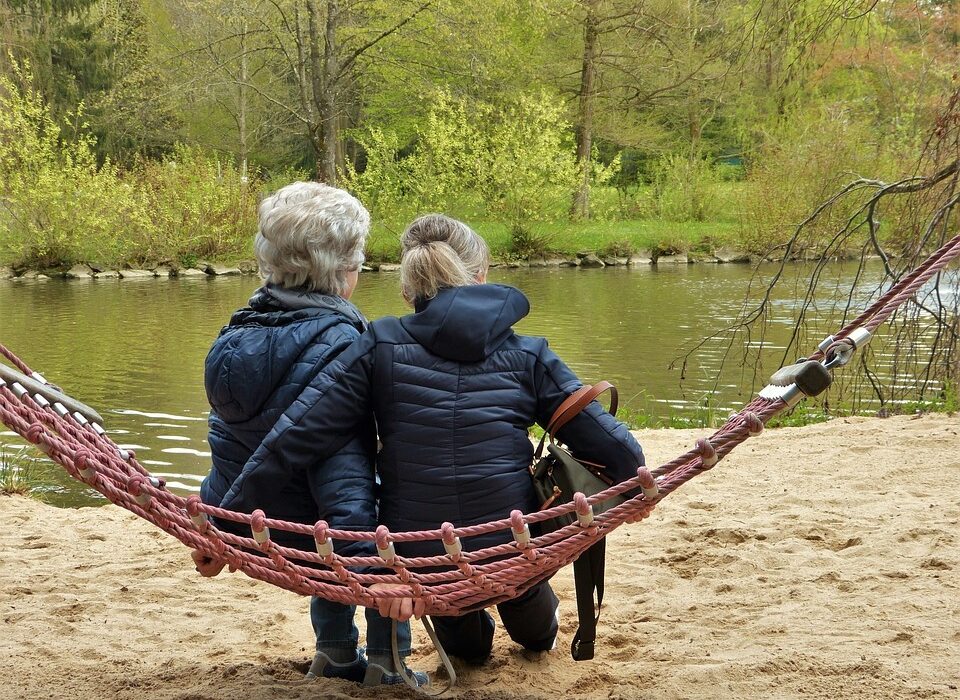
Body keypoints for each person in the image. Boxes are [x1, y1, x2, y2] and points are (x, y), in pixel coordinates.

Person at [223, 213, 653, 663]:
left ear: (408, 290)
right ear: (482, 275)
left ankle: (476, 621)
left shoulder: (378, 343)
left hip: (422, 558)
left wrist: (225, 522)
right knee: (536, 627)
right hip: (513, 544)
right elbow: (612, 445)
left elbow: (297, 435)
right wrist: (634, 486)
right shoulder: (529, 354)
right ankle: (526, 608)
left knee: (467, 650)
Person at [191, 181, 426, 687]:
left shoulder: (234, 335)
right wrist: (371, 573)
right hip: (318, 528)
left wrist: (216, 521)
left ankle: (335, 651)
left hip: (255, 519)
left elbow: (231, 442)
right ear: (345, 271)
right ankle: (389, 662)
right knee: (392, 507)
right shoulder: (347, 345)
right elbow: (346, 474)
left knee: (328, 514)